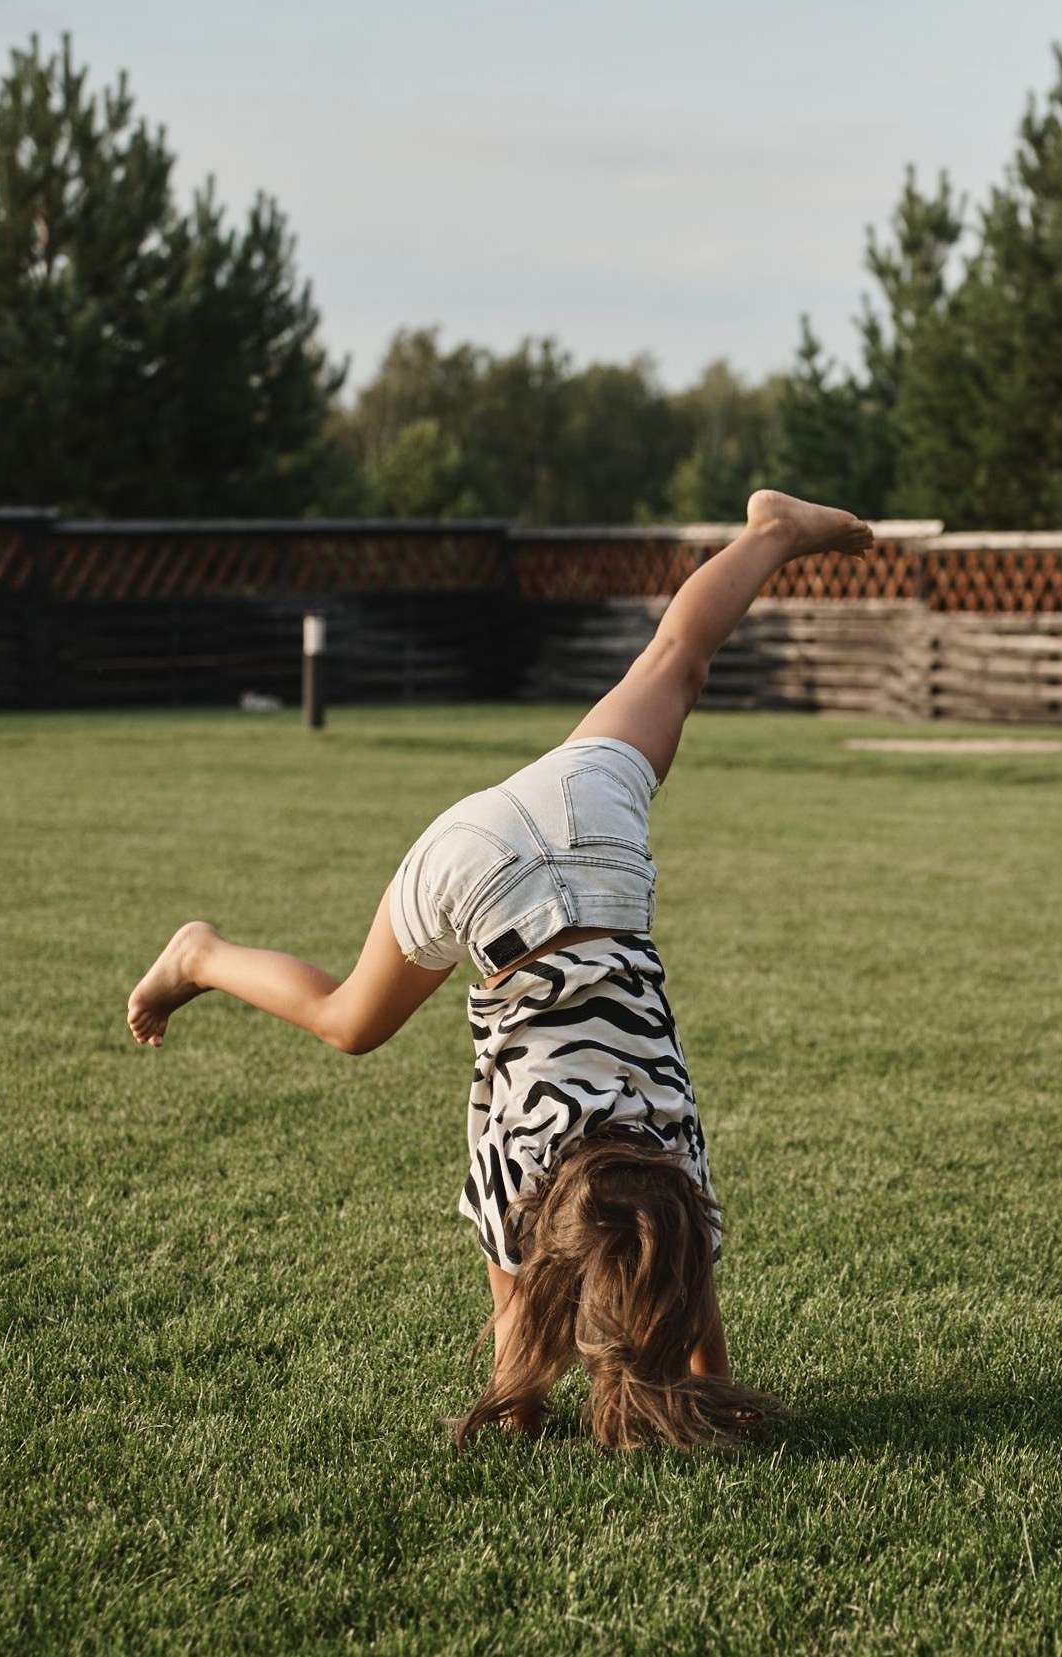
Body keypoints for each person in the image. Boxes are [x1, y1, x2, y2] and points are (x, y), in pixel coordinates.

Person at [125, 490, 876, 1449]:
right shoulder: (546, 1181)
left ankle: (769, 531)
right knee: (350, 1020)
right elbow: (612, 1333)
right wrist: (538, 1405)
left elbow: (668, 1328)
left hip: (577, 829)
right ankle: (199, 952)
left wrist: (550, 1407)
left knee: (674, 663)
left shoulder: (669, 1158)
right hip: (496, 864)